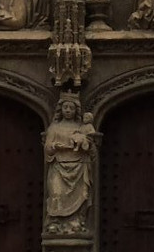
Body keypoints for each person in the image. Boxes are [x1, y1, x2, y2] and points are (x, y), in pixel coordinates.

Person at [43, 93, 95, 235]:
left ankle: (76, 221)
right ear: (61, 109)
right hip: (59, 166)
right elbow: (47, 147)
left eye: (71, 108)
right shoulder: (54, 128)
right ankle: (55, 222)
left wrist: (87, 143)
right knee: (56, 194)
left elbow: (90, 148)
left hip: (78, 166)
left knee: (81, 195)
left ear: (76, 110)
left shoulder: (82, 127)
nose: (67, 110)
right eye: (65, 107)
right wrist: (54, 146)